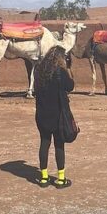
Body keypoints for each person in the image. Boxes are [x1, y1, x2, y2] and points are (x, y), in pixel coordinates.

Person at [33, 45, 74, 189]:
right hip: (58, 115)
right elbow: (70, 86)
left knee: (44, 143)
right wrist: (68, 68)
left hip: (42, 114)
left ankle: (44, 178)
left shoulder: (38, 71)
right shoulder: (60, 72)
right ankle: (61, 179)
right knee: (58, 145)